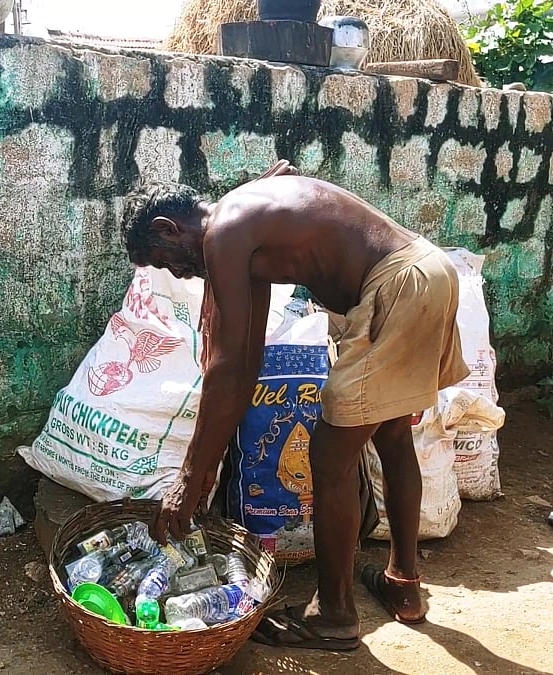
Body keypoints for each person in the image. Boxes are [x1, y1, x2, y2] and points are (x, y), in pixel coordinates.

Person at [120, 162, 470, 651]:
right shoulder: (244, 223)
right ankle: (403, 585)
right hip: (428, 271)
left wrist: (189, 477)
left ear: (168, 228)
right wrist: (205, 465)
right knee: (392, 435)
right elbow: (246, 358)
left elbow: (228, 367)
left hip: (398, 285)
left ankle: (334, 616)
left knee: (328, 457)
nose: (178, 273)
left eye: (166, 261)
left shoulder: (225, 232)